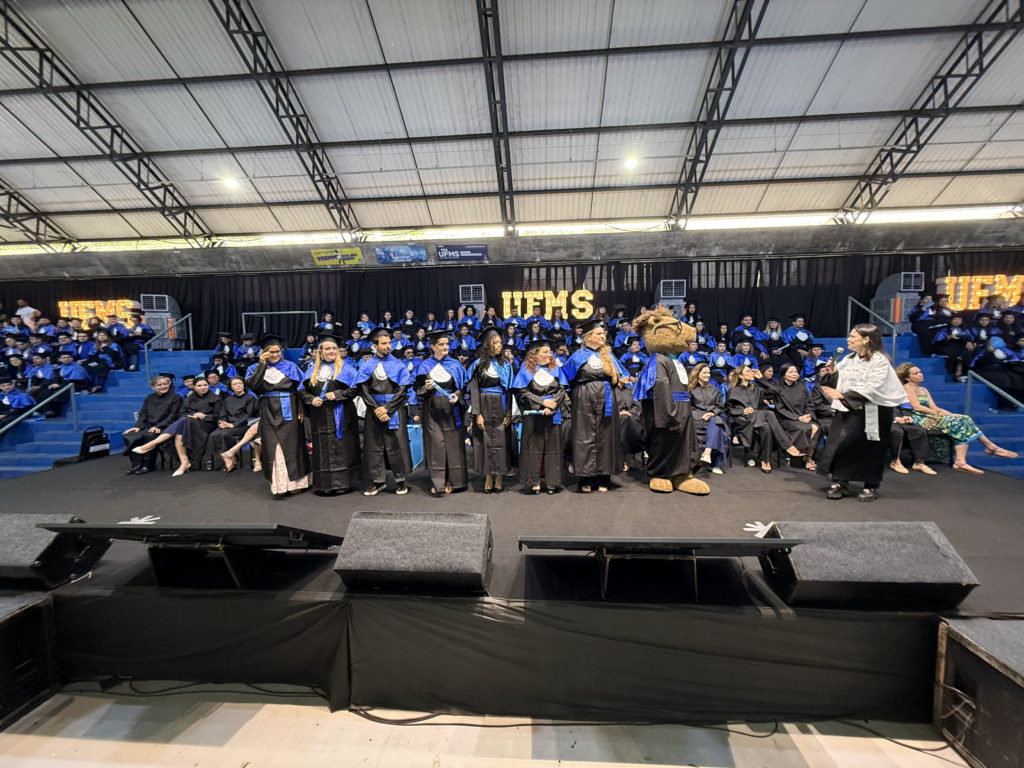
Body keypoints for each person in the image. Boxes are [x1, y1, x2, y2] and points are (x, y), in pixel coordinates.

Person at [817, 324, 908, 501]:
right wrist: (833, 373)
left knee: (871, 448)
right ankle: (840, 481)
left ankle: (871, 485)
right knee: (842, 445)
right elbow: (839, 383)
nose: (848, 339)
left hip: (874, 410)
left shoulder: (880, 361)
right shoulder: (848, 359)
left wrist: (842, 395)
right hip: (848, 408)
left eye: (853, 337)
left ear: (866, 340)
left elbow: (873, 387)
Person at [896, 362, 1018, 474]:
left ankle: (962, 460)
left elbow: (934, 406)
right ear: (907, 378)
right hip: (919, 418)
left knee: (964, 419)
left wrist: (950, 414)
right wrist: (937, 414)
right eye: (916, 373)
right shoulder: (907, 387)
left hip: (932, 416)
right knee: (958, 424)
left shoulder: (924, 389)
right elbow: (917, 407)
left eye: (920, 372)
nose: (920, 374)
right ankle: (989, 448)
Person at [561, 318, 628, 493]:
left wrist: (622, 380)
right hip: (584, 400)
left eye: (603, 334)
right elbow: (565, 379)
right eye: (599, 334)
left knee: (606, 436)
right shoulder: (578, 356)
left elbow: (622, 376)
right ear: (589, 337)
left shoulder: (609, 356)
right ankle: (586, 478)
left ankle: (604, 476)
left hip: (606, 398)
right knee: (585, 437)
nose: (603, 337)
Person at [245, 334, 310, 495]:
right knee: (273, 445)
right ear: (263, 352)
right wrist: (262, 364)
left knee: (292, 444)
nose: (275, 355)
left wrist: (301, 409)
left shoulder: (291, 366)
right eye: (271, 352)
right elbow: (254, 386)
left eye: (277, 351)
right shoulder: (254, 368)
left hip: (290, 407)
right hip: (268, 408)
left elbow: (301, 389)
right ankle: (280, 485)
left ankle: (296, 483)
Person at [354, 327, 414, 496]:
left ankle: (400, 480)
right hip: (374, 410)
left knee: (397, 444)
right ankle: (378, 481)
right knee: (374, 445)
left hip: (394, 410)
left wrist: (387, 409)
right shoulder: (367, 365)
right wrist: (376, 409)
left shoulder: (398, 364)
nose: (388, 346)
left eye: (389, 343)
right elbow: (363, 390)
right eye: (384, 343)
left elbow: (403, 390)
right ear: (375, 346)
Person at [299, 335, 362, 495]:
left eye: (334, 348)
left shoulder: (346, 368)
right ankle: (324, 484)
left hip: (342, 414)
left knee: (343, 447)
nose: (331, 351)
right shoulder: (312, 370)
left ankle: (343, 483)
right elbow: (302, 391)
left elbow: (356, 389)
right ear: (321, 351)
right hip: (319, 415)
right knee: (322, 448)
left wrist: (338, 394)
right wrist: (311, 399)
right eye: (327, 348)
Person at [131, 375, 223, 476]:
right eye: (199, 386)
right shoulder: (188, 399)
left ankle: (151, 444)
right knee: (180, 432)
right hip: (188, 424)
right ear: (194, 387)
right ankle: (184, 462)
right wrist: (194, 414)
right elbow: (182, 413)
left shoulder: (216, 398)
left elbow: (217, 416)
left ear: (209, 385)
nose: (203, 387)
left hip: (206, 425)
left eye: (205, 385)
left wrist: (203, 416)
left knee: (184, 422)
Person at [512, 339, 569, 494]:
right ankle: (534, 481)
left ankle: (552, 482)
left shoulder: (555, 368)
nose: (549, 355)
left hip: (553, 413)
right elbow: (523, 392)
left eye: (550, 352)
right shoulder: (526, 369)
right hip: (533, 415)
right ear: (534, 354)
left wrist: (552, 405)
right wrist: (542, 403)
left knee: (553, 448)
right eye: (545, 352)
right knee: (533, 447)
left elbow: (562, 389)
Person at [415, 330, 469, 496]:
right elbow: (417, 389)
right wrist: (426, 388)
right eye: (441, 344)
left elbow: (464, 388)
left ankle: (455, 481)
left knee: (454, 445)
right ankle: (438, 482)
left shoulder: (455, 365)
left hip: (452, 410)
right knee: (436, 445)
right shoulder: (424, 366)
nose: (446, 347)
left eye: (447, 344)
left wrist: (457, 395)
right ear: (433, 346)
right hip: (432, 410)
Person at [725, 364, 803, 474]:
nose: (752, 373)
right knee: (769, 414)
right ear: (741, 376)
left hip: (758, 418)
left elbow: (776, 390)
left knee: (766, 427)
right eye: (748, 371)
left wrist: (761, 378)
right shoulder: (733, 391)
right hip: (743, 420)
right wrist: (742, 411)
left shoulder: (757, 388)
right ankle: (788, 446)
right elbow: (728, 409)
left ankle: (765, 461)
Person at [467, 327, 513, 493]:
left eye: (500, 343)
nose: (499, 346)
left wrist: (509, 413)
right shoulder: (477, 365)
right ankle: (488, 476)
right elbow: (474, 391)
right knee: (485, 441)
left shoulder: (506, 365)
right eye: (495, 343)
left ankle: (499, 477)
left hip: (501, 404)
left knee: (501, 441)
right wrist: (477, 414)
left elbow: (510, 391)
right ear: (488, 345)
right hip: (483, 403)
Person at [122, 375, 183, 475]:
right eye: (159, 385)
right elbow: (143, 413)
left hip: (167, 427)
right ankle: (137, 464)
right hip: (149, 426)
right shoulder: (149, 398)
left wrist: (159, 426)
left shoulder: (176, 397)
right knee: (130, 435)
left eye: (165, 384)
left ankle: (148, 465)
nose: (163, 386)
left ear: (169, 385)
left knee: (150, 436)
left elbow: (173, 415)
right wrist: (138, 426)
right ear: (153, 387)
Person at [773, 363, 821, 471]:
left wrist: (808, 416)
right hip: (786, 419)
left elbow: (809, 404)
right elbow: (781, 409)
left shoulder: (801, 387)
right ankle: (801, 457)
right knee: (805, 428)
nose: (795, 374)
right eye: (791, 372)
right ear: (784, 375)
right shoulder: (778, 389)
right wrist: (798, 418)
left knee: (817, 427)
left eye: (796, 372)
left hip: (804, 418)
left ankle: (808, 457)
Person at [208, 376, 258, 471]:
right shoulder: (228, 399)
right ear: (231, 387)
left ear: (243, 385)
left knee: (224, 434)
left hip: (244, 425)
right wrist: (222, 422)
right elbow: (223, 414)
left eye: (240, 383)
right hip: (229, 424)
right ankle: (230, 459)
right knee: (213, 435)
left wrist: (233, 425)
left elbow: (249, 415)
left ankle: (231, 458)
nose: (238, 385)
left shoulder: (250, 398)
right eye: (235, 384)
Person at [687, 363, 728, 474]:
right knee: (718, 428)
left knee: (716, 422)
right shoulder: (690, 389)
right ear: (697, 374)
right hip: (696, 420)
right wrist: (700, 416)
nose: (708, 375)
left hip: (712, 418)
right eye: (705, 372)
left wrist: (712, 413)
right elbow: (687, 407)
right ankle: (715, 464)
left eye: (709, 373)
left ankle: (707, 452)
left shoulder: (715, 390)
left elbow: (720, 406)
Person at [890, 406, 936, 475]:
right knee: (897, 431)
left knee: (920, 431)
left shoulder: (897, 401)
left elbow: (900, 409)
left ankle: (919, 463)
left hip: (900, 419)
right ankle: (895, 462)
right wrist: (895, 418)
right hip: (887, 421)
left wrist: (907, 417)